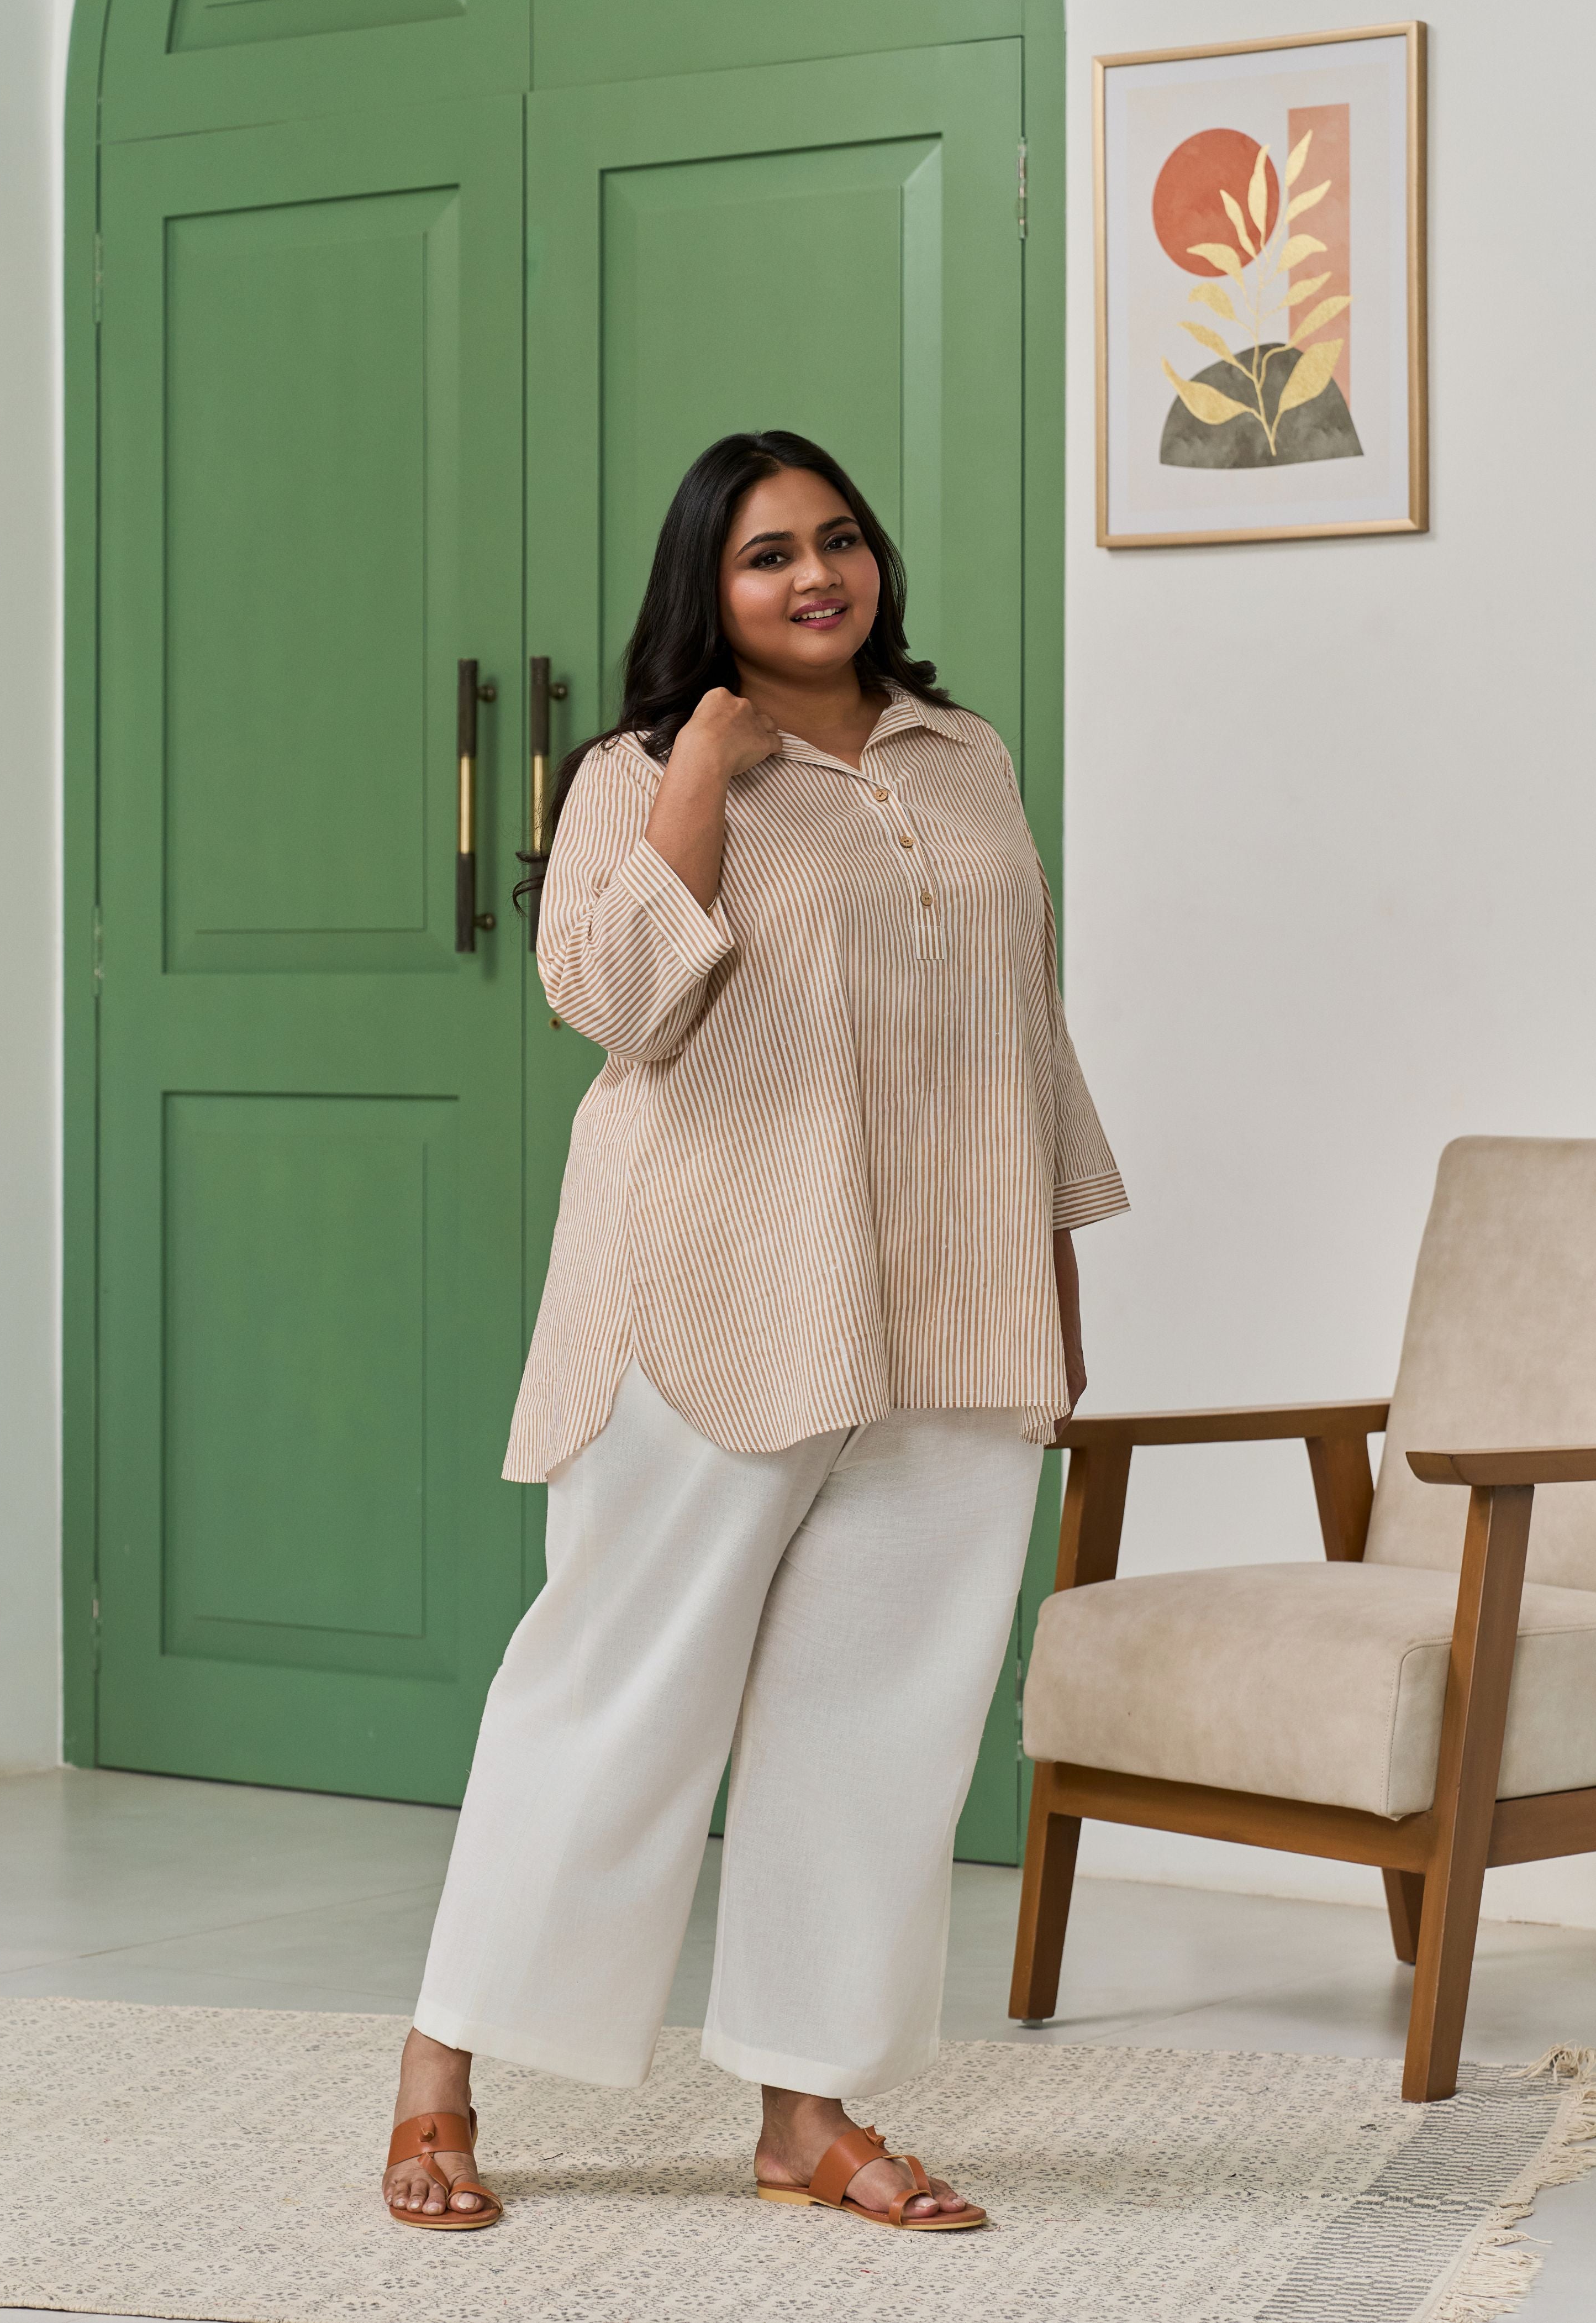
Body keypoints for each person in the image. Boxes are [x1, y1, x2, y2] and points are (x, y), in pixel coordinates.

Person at [380, 429, 1127, 2235]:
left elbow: (1019, 1027)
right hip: (713, 1287)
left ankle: (809, 2111)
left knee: (884, 1717)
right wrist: (705, 767)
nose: (817, 575)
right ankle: (438, 2074)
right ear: (705, 588)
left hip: (949, 1295)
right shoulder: (643, 765)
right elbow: (616, 1000)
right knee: (611, 1688)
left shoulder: (967, 759)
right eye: (768, 553)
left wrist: (1055, 1275)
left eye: (840, 540)